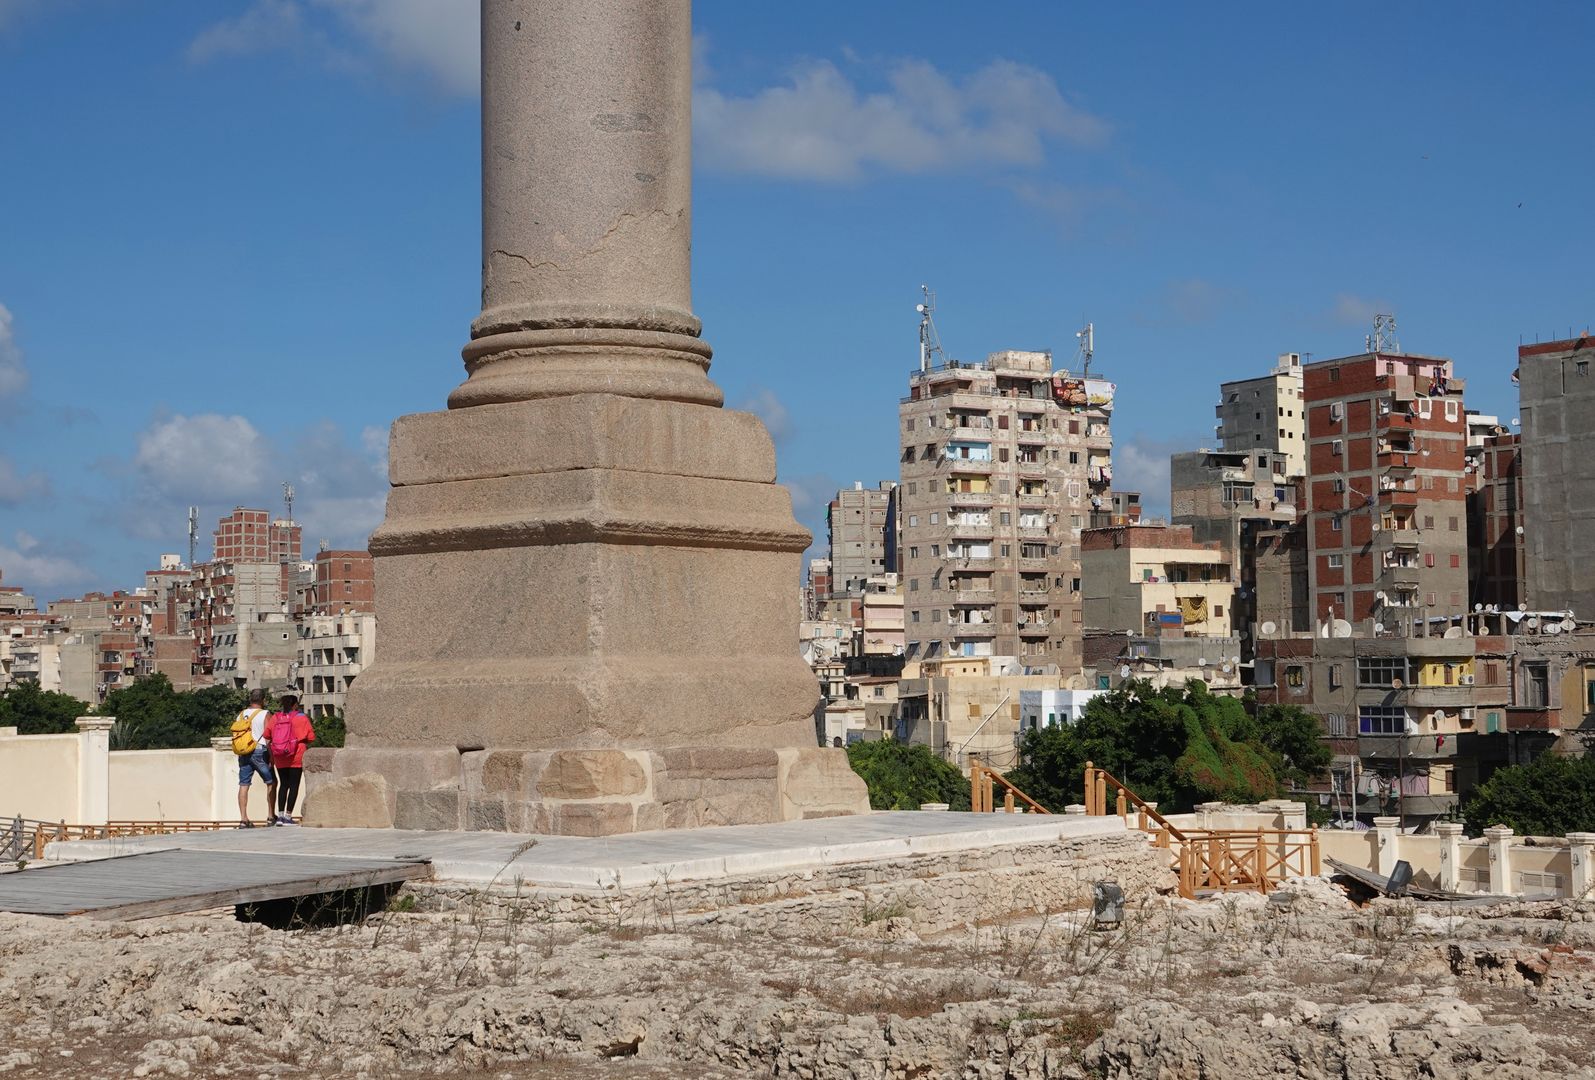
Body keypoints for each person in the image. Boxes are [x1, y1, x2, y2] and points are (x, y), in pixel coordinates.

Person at [266, 692, 315, 825]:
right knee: (294, 786)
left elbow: (267, 734)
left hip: (280, 756)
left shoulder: (276, 717)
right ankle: (288, 816)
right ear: (295, 705)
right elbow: (311, 737)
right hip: (296, 755)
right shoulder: (301, 717)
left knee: (283, 785)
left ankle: (280, 816)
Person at [230, 689, 276, 828]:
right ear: (263, 700)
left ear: (250, 700)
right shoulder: (264, 714)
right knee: (271, 782)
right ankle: (270, 816)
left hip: (243, 752)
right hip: (259, 752)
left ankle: (243, 819)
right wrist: (272, 757)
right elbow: (268, 737)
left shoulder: (241, 714)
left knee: (244, 784)